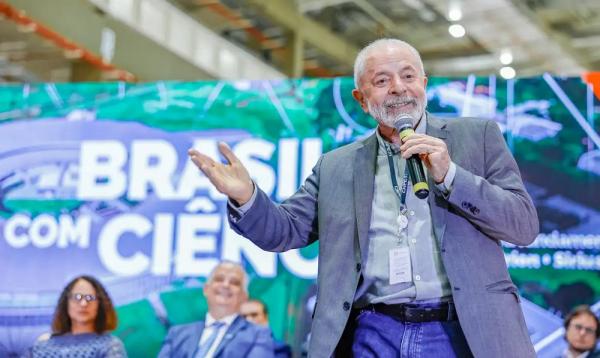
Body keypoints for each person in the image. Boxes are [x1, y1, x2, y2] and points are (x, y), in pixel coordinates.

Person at [188, 38, 539, 358]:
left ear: (424, 84)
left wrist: (451, 176)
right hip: (373, 332)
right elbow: (285, 229)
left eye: (408, 76)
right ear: (361, 99)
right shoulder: (336, 166)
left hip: (460, 329)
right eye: (382, 81)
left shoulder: (477, 137)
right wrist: (246, 196)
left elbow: (523, 226)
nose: (399, 89)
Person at [158, 261, 274, 358]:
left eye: (234, 282)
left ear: (244, 296)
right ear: (206, 289)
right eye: (219, 279)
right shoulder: (177, 333)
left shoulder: (259, 335)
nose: (226, 285)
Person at [24, 275, 126, 357]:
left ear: (101, 305)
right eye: (77, 297)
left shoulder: (110, 346)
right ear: (66, 302)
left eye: (90, 298)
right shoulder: (40, 348)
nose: (83, 303)